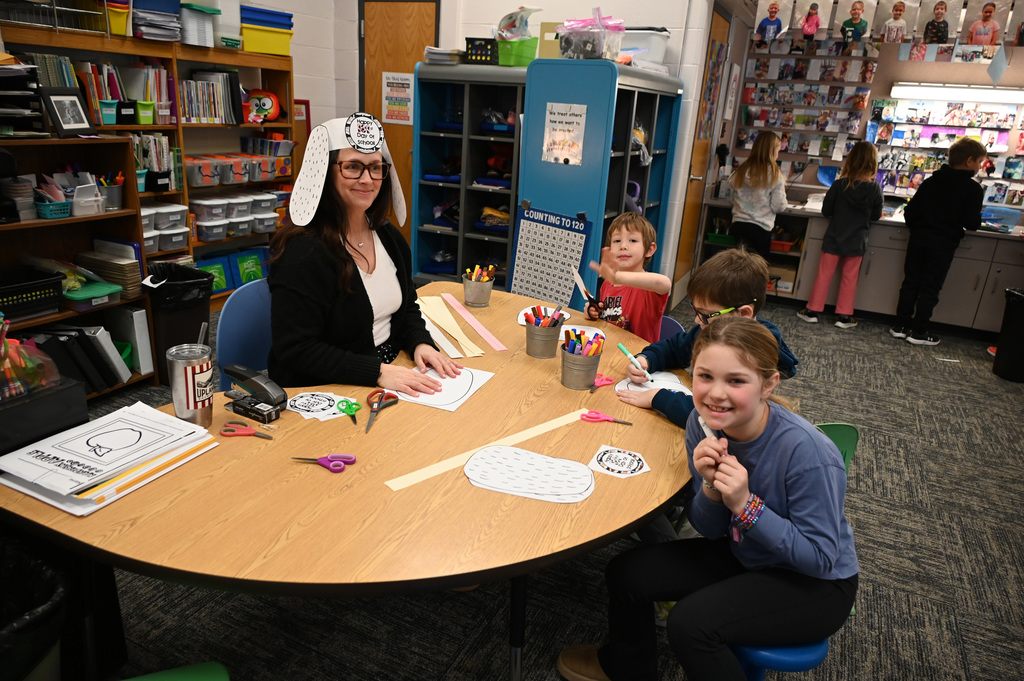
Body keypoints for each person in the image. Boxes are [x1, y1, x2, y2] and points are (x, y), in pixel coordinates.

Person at [556, 316, 859, 681]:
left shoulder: (808, 453)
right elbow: (710, 529)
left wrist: (746, 506)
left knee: (691, 626)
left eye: (736, 381)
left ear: (768, 385)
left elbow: (821, 559)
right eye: (705, 376)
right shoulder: (702, 427)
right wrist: (713, 490)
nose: (716, 393)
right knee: (627, 573)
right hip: (747, 552)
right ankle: (626, 668)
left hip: (816, 584)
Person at [268, 112, 462, 392]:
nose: (367, 179)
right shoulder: (303, 252)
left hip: (389, 368)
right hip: (326, 387)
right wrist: (377, 372)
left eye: (375, 167)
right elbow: (297, 349)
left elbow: (407, 307)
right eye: (353, 167)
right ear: (325, 171)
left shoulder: (388, 237)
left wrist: (420, 342)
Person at [617, 247, 798, 428]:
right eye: (696, 311)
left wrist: (659, 398)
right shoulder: (711, 331)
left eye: (705, 314)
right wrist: (647, 359)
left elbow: (714, 417)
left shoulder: (751, 355)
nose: (697, 320)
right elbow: (674, 348)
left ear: (743, 314)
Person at [891, 136, 986, 345]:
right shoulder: (972, 189)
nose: (980, 166)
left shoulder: (930, 182)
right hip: (943, 243)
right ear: (969, 161)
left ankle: (900, 325)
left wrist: (919, 228)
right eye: (980, 162)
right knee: (930, 287)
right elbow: (971, 223)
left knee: (911, 282)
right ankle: (919, 332)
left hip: (918, 239)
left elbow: (911, 212)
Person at [797, 142, 883, 329]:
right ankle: (844, 316)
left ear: (851, 161)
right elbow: (876, 216)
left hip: (834, 237)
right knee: (849, 278)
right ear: (873, 163)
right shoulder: (875, 189)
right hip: (857, 241)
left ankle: (812, 311)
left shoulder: (839, 185)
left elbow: (826, 211)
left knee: (824, 274)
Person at [585, 212, 672, 343]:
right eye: (617, 241)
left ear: (649, 249)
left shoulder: (649, 287)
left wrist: (617, 277)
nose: (623, 246)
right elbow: (609, 319)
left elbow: (664, 283)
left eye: (633, 240)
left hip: (638, 355)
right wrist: (594, 312)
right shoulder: (608, 284)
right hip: (610, 349)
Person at [728, 131, 787, 259]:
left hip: (739, 225)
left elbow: (732, 198)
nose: (778, 154)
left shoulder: (741, 170)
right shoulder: (775, 175)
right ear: (772, 151)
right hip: (761, 227)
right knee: (757, 266)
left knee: (739, 263)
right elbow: (778, 206)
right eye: (778, 150)